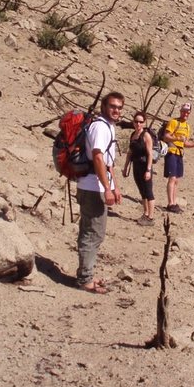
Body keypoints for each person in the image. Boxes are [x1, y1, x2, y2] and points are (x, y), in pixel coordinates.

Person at [75, 92, 123, 294]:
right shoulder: (101, 127)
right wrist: (106, 189)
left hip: (96, 185)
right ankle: (85, 279)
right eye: (112, 106)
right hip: (92, 186)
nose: (116, 110)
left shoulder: (108, 127)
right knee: (93, 233)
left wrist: (114, 186)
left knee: (92, 231)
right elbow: (97, 158)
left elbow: (108, 162)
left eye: (120, 107)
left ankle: (86, 273)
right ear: (104, 107)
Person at [162, 102, 194, 213]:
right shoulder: (174, 122)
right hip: (171, 152)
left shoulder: (187, 127)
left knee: (177, 180)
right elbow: (166, 136)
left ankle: (174, 202)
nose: (185, 114)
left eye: (187, 112)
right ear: (180, 111)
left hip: (179, 153)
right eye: (184, 111)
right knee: (172, 178)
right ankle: (170, 203)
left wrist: (193, 145)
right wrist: (177, 138)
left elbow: (185, 143)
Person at [122, 110, 155, 226]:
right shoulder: (133, 135)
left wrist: (149, 170)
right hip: (136, 165)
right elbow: (130, 152)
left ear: (144, 123)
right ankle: (145, 213)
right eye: (136, 121)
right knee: (142, 191)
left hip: (144, 165)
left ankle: (151, 217)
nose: (138, 124)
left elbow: (150, 153)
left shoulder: (146, 136)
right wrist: (125, 167)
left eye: (141, 122)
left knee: (148, 191)